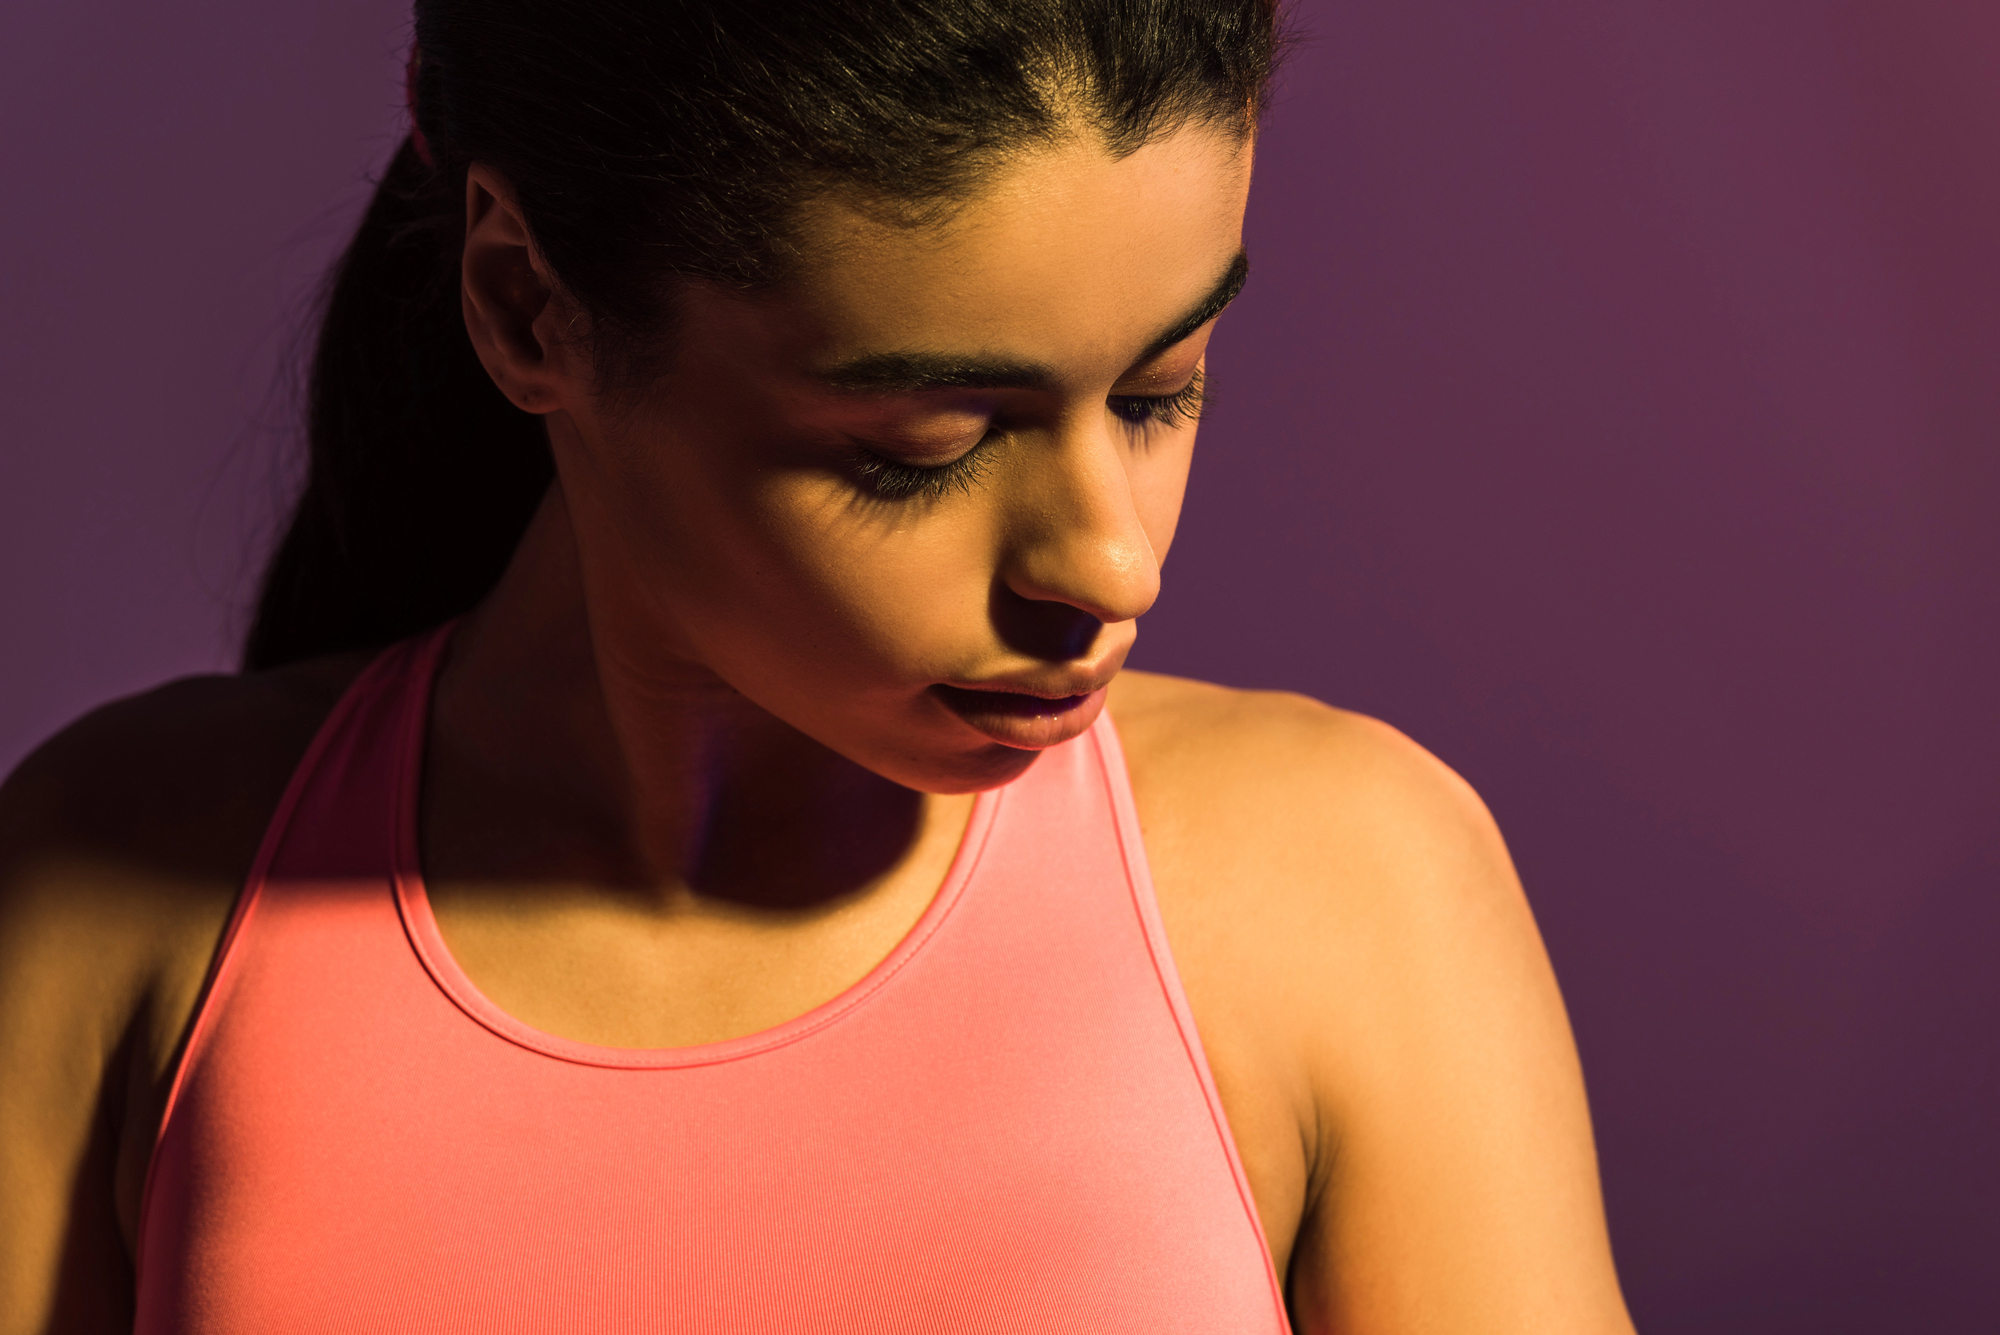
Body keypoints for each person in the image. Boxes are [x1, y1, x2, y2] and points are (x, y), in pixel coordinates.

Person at [0, 2, 1638, 1330]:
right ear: (526, 309)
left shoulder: (1351, 893)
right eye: (924, 447)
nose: (1111, 567)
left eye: (1160, 392)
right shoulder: (107, 900)